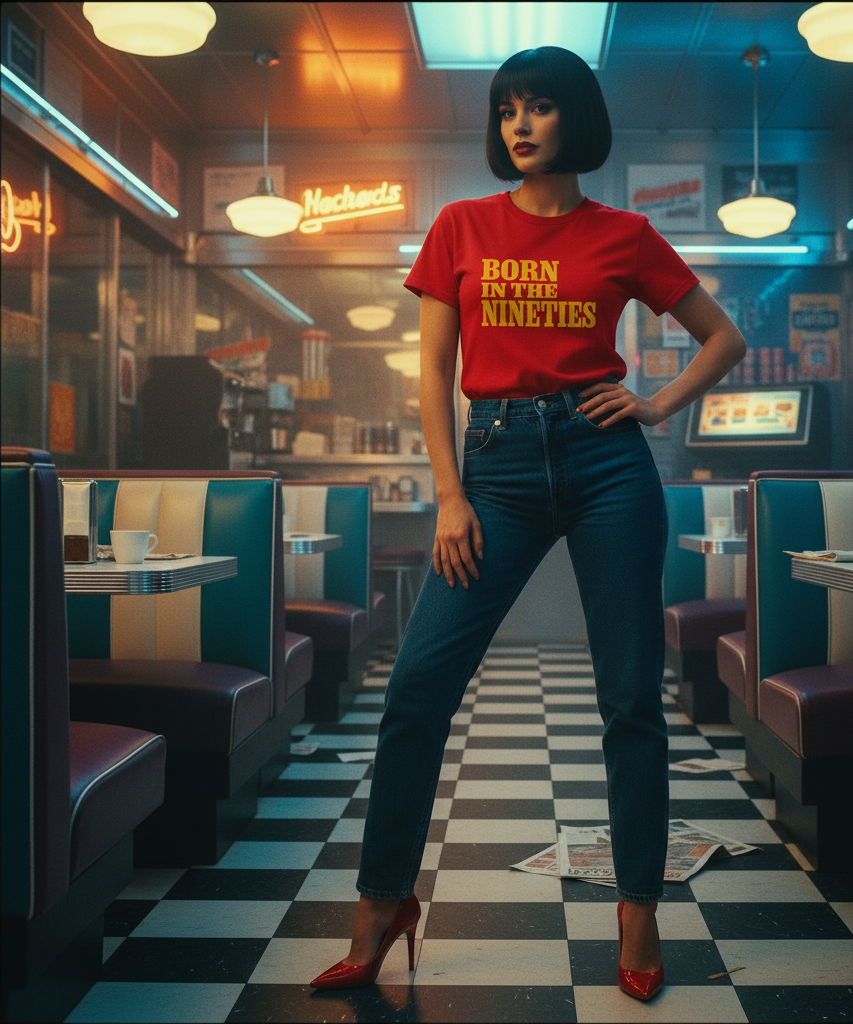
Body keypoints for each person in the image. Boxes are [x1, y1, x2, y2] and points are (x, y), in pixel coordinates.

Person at [311, 45, 745, 1001]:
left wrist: (658, 403)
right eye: (507, 107)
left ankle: (637, 908)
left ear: (573, 119)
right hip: (496, 466)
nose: (519, 122)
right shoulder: (461, 225)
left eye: (540, 106)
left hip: (606, 464)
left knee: (631, 698)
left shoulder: (625, 234)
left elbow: (725, 336)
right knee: (417, 691)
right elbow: (430, 370)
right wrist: (450, 493)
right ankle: (383, 904)